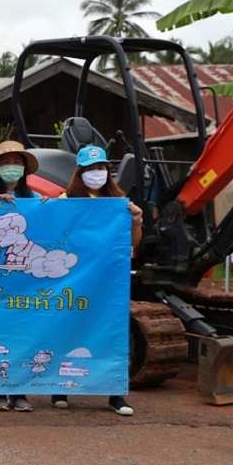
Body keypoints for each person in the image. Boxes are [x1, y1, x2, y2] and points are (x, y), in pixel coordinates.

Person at [53, 144, 142, 416]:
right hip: (74, 279)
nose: (97, 173)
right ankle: (60, 387)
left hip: (106, 284)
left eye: (101, 167)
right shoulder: (65, 200)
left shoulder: (120, 204)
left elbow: (132, 244)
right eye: (90, 168)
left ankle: (115, 393)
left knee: (112, 332)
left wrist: (136, 221)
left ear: (108, 171)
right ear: (79, 172)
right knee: (67, 329)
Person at [0, 140, 44, 412]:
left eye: (17, 162)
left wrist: (50, 211)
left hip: (26, 287)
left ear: (25, 168)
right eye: (5, 163)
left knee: (24, 335)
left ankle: (20, 392)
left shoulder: (37, 200)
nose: (11, 168)